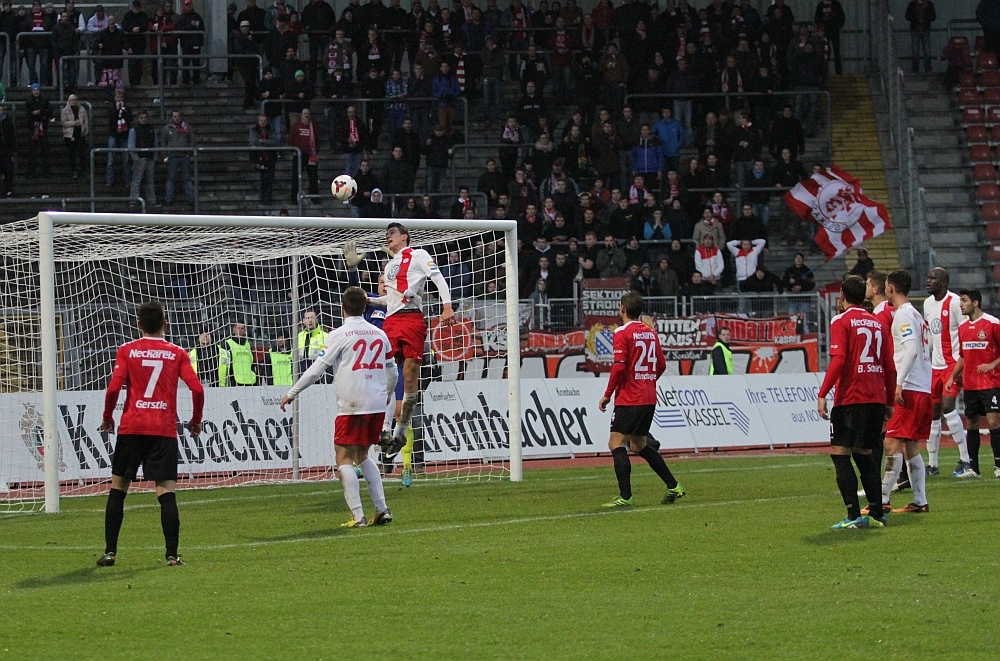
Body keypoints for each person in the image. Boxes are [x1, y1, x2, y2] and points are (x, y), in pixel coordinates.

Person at [98, 300, 205, 567]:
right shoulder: (178, 353)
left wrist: (108, 417)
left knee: (118, 488)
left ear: (138, 325)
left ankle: (110, 552)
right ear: (165, 324)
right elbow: (197, 389)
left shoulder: (126, 350)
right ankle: (172, 555)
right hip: (163, 430)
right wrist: (196, 420)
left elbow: (113, 389)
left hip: (132, 428)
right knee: (166, 492)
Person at [280, 287, 396, 528]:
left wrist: (292, 393)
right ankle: (381, 508)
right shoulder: (379, 333)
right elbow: (392, 371)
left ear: (342, 307)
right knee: (363, 455)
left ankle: (358, 516)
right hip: (376, 404)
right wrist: (386, 394)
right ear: (365, 306)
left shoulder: (339, 334)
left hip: (352, 404)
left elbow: (316, 369)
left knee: (343, 456)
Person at [817, 275, 895, 529]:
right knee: (865, 456)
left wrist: (822, 393)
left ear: (842, 295)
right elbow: (890, 366)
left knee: (841, 455)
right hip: (876, 398)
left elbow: (839, 359)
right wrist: (889, 401)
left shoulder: (841, 321)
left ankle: (853, 516)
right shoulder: (878, 323)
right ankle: (877, 513)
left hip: (850, 397)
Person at [375, 223, 456, 458]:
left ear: (404, 237)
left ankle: (400, 432)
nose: (388, 236)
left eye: (392, 233)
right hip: (391, 321)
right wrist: (369, 301)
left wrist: (447, 306)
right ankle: (384, 430)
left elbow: (438, 278)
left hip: (411, 320)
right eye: (386, 234)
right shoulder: (389, 265)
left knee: (410, 378)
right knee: (386, 375)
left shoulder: (418, 254)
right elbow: (391, 300)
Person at [598, 291, 683, 508]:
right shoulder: (650, 333)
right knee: (638, 444)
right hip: (648, 396)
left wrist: (607, 394)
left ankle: (625, 497)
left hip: (630, 397)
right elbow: (661, 364)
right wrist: (647, 380)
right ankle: (673, 486)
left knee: (616, 443)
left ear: (622, 309)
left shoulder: (621, 332)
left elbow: (619, 367)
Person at [878, 270, 933, 515]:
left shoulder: (902, 315)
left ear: (891, 288)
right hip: (922, 386)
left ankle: (882, 500)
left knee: (891, 442)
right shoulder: (917, 315)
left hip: (909, 388)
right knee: (911, 446)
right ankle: (920, 501)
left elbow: (910, 349)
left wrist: (898, 383)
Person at [924, 267, 974, 477]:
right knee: (933, 414)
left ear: (944, 282)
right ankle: (932, 464)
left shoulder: (954, 302)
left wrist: (963, 366)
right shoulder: (927, 304)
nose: (928, 281)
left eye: (933, 278)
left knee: (948, 407)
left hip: (953, 364)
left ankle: (965, 460)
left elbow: (965, 332)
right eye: (928, 277)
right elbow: (930, 333)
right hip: (935, 366)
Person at [947, 289, 1000, 478]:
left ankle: (998, 465)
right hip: (970, 384)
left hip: (990, 383)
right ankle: (973, 468)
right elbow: (962, 356)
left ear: (975, 303)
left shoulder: (993, 323)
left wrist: (992, 365)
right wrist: (952, 376)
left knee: (993, 422)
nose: (961, 305)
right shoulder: (962, 328)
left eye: (964, 301)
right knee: (971, 422)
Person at [162, 110, 195, 205]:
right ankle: (169, 199)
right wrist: (165, 155)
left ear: (181, 117)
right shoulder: (166, 128)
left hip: (184, 156)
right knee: (170, 178)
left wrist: (189, 153)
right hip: (172, 156)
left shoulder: (187, 127)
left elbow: (192, 140)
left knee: (187, 178)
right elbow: (163, 142)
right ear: (172, 117)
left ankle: (191, 198)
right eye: (175, 116)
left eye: (178, 116)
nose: (176, 118)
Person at [288, 107, 320, 200]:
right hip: (299, 155)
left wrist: (316, 151)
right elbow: (290, 139)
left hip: (311, 155)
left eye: (308, 114)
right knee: (296, 177)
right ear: (301, 116)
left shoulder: (313, 127)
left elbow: (318, 140)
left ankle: (314, 197)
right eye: (305, 114)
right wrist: (293, 151)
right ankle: (294, 197)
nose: (306, 115)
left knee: (313, 177)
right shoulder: (296, 126)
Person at [128, 109, 157, 208]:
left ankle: (152, 200)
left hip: (150, 158)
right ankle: (133, 200)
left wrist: (154, 157)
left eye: (145, 118)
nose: (143, 119)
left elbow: (155, 143)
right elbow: (131, 145)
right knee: (136, 181)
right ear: (138, 118)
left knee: (150, 182)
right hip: (140, 159)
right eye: (141, 118)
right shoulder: (134, 130)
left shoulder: (151, 129)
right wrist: (136, 158)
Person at [106, 90, 133, 188]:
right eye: (117, 97)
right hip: (114, 135)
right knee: (110, 161)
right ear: (114, 98)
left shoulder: (127, 109)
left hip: (124, 136)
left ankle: (127, 180)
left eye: (121, 97)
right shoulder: (111, 109)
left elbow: (130, 119)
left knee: (126, 160)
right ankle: (109, 180)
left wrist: (123, 111)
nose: (119, 99)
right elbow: (111, 120)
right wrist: (117, 110)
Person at [219, 321, 257, 386]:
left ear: (245, 330)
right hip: (235, 382)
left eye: (242, 328)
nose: (240, 330)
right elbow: (225, 365)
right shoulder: (227, 344)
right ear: (234, 329)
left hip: (250, 381)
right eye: (238, 328)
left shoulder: (248, 345)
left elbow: (252, 363)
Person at [250, 114, 277, 205]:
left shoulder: (271, 129)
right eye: (261, 120)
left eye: (264, 121)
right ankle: (263, 196)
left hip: (270, 157)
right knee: (264, 178)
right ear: (258, 121)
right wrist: (266, 143)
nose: (263, 122)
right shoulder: (254, 130)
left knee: (270, 178)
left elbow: (274, 142)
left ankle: (267, 198)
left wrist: (262, 141)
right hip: (259, 157)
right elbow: (253, 142)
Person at [60, 94, 89, 180]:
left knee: (82, 154)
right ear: (69, 101)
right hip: (70, 135)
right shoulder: (65, 111)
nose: (73, 102)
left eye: (75, 100)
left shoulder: (82, 109)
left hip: (80, 134)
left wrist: (85, 130)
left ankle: (84, 170)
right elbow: (64, 123)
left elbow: (86, 121)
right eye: (72, 100)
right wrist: (74, 123)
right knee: (72, 154)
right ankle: (74, 171)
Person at [26, 84, 51, 177]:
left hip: (42, 127)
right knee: (32, 151)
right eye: (34, 90)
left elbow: (49, 111)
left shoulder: (44, 101)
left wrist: (40, 112)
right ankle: (32, 171)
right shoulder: (29, 102)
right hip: (33, 128)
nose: (36, 92)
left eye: (37, 90)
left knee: (45, 150)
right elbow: (27, 114)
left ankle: (47, 171)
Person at [297, 309, 328, 377]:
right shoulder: (298, 336)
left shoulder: (325, 336)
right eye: (307, 318)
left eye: (312, 318)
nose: (310, 320)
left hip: (319, 375)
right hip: (301, 374)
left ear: (316, 320)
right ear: (303, 321)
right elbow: (293, 358)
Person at [0, 102, 14, 198]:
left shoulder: (8, 122)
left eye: (1, 110)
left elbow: (12, 136)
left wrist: (12, 148)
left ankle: (8, 190)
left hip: (7, 150)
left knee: (8, 171)